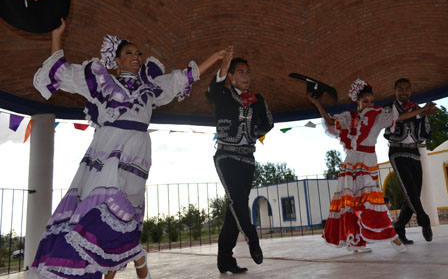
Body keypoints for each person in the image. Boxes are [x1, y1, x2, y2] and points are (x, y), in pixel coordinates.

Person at [31, 18, 228, 279]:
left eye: (138, 54)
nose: (136, 57)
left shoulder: (151, 87)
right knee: (99, 209)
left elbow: (184, 77)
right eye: (129, 53)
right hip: (109, 150)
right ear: (117, 60)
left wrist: (214, 57)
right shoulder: (101, 81)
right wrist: (57, 35)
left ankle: (129, 260)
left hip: (137, 155)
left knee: (125, 216)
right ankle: (102, 264)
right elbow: (61, 72)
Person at [308, 79, 434, 253]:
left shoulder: (378, 115)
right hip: (351, 162)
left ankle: (392, 237)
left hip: (367, 162)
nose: (369, 104)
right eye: (365, 101)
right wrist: (317, 104)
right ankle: (356, 243)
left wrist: (422, 110)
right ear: (357, 102)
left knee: (371, 199)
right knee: (351, 203)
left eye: (371, 101)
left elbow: (401, 117)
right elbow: (330, 122)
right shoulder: (349, 118)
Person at [206, 50, 274, 274]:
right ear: (232, 76)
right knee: (238, 201)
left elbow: (269, 122)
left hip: (248, 157)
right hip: (226, 155)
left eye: (248, 72)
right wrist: (223, 66)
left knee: (234, 211)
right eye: (241, 72)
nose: (246, 76)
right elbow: (212, 90)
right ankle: (252, 238)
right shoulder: (222, 94)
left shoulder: (258, 99)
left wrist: (255, 131)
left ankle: (225, 260)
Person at [383, 78, 438, 245]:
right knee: (410, 189)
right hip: (397, 151)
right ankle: (424, 219)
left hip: (414, 151)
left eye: (407, 89)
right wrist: (420, 113)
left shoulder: (416, 108)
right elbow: (396, 120)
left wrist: (424, 115)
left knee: (413, 194)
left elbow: (425, 133)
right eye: (400, 89)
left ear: (411, 91)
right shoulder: (389, 108)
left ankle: (399, 228)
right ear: (395, 91)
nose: (404, 92)